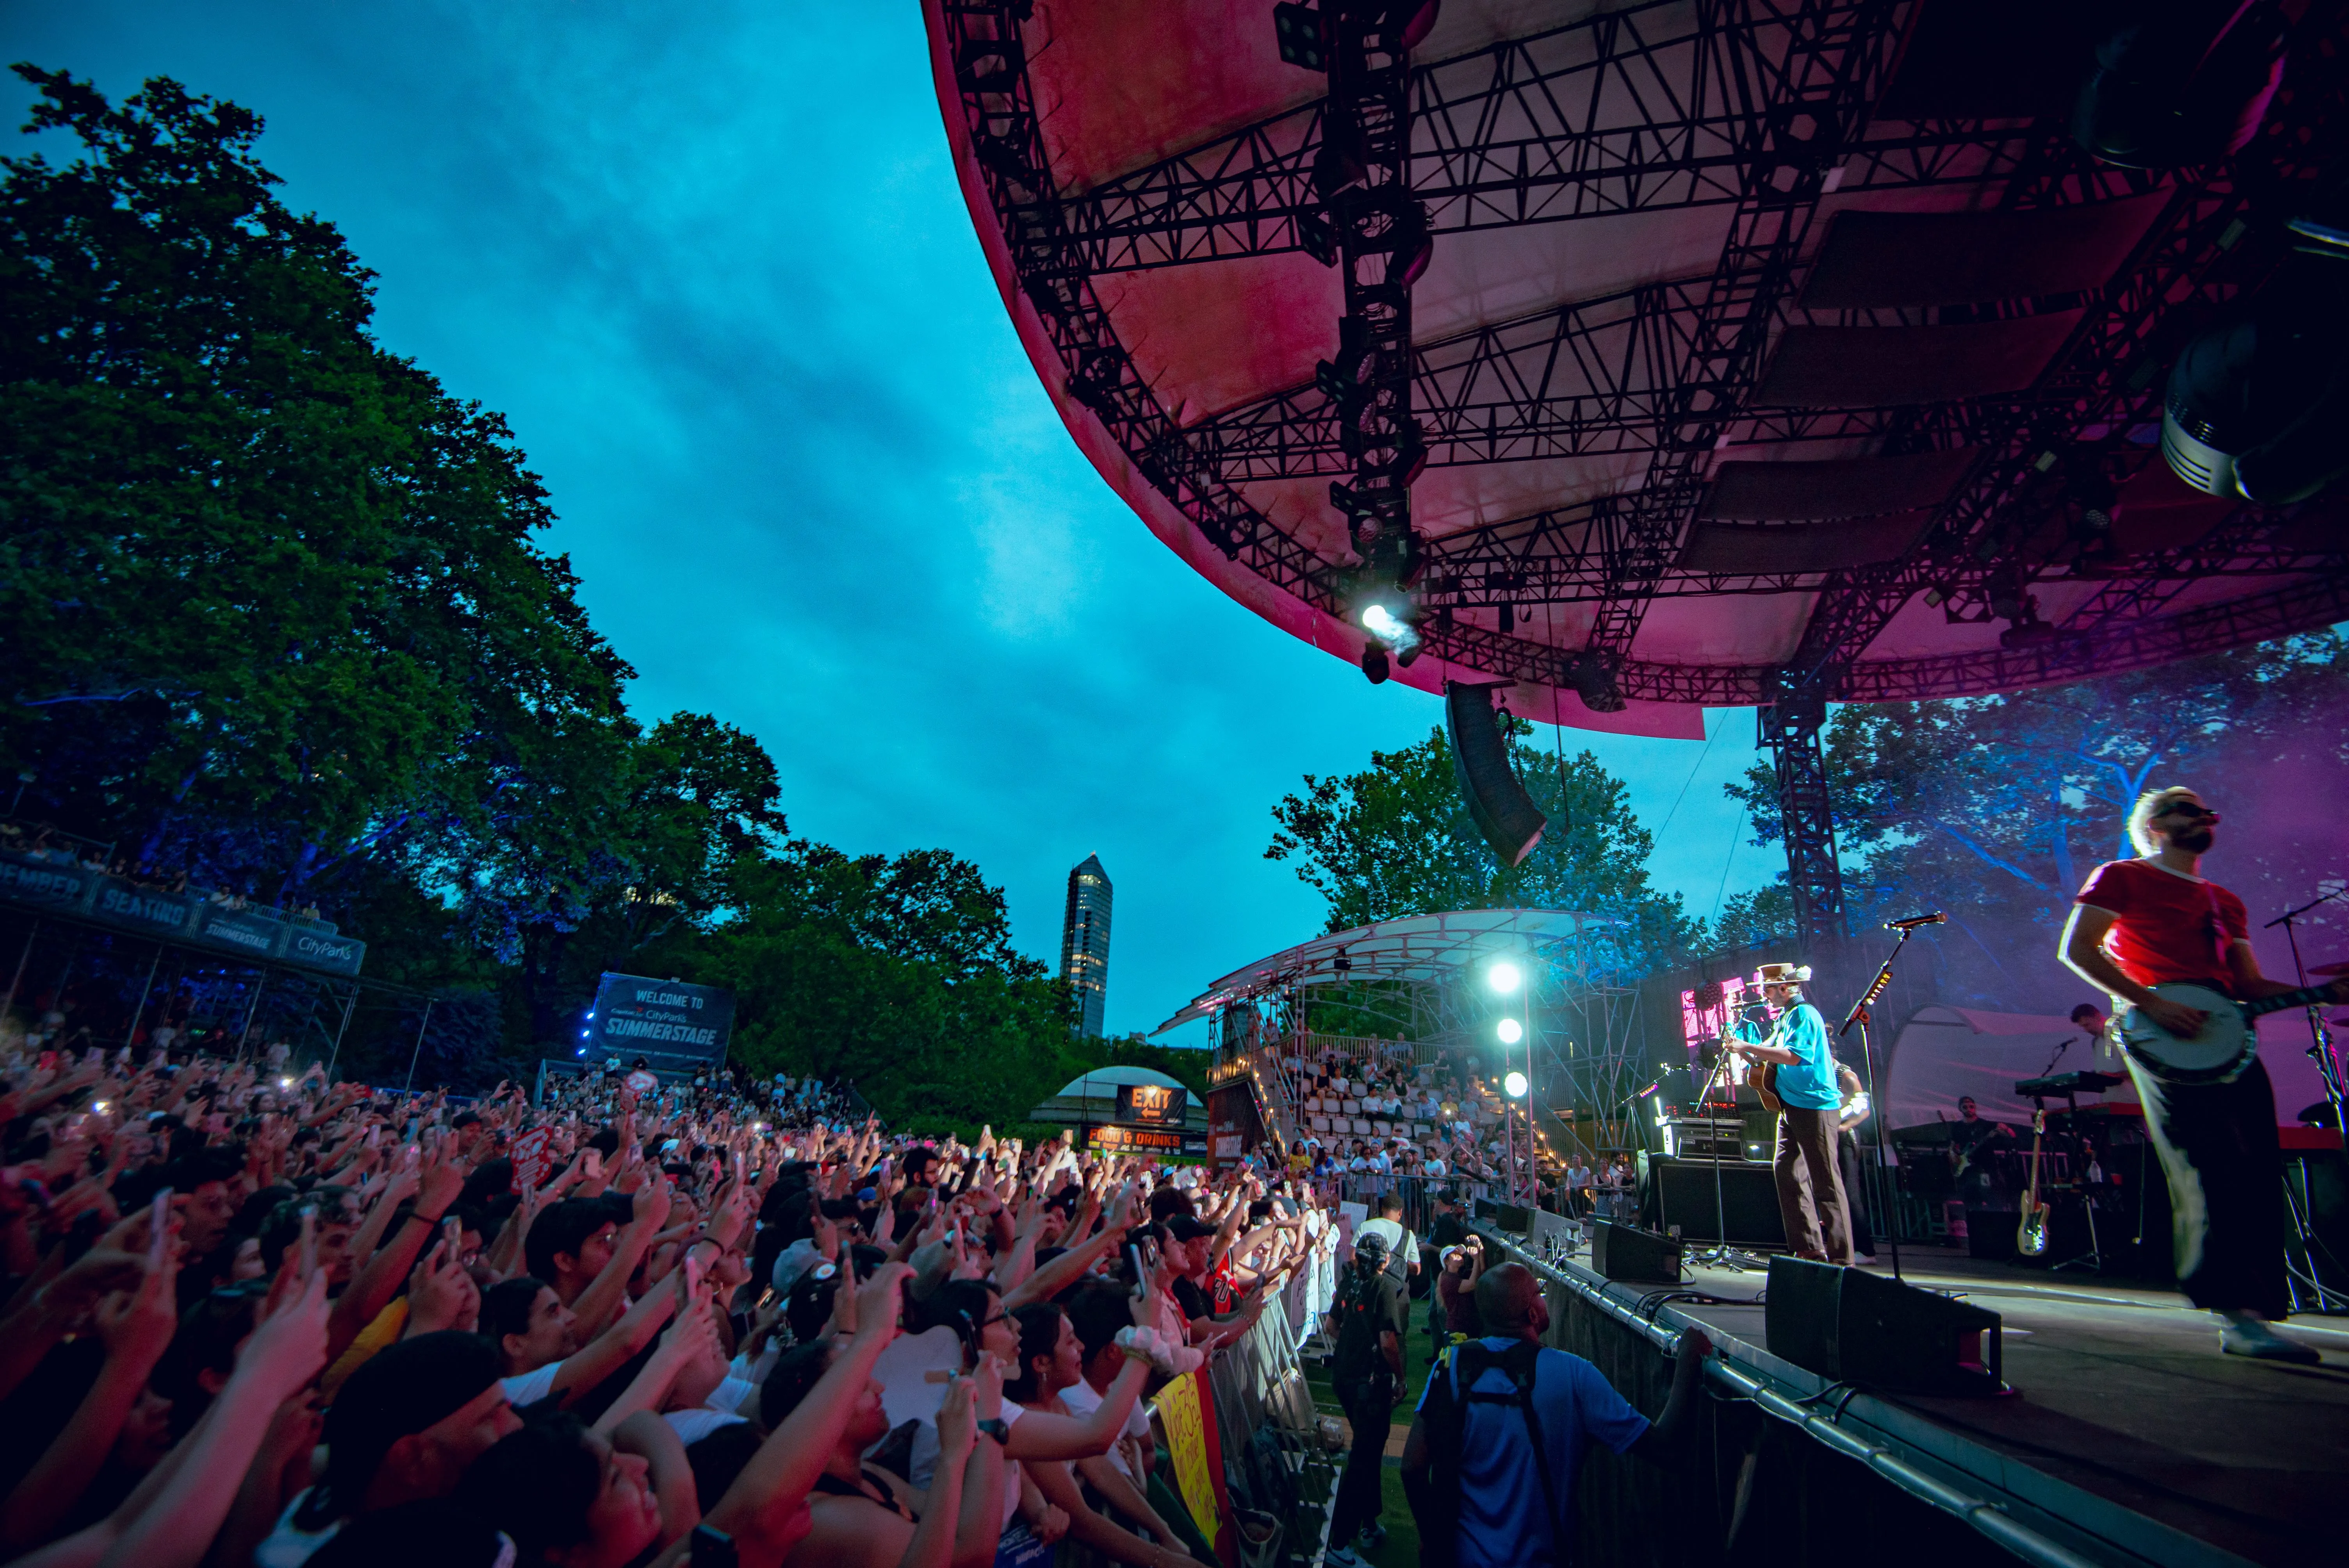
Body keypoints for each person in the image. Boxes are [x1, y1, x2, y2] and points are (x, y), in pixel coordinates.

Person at [2059, 784, 2347, 1363]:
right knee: (2208, 1166)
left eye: (2203, 808)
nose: (2202, 814)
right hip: (2165, 1040)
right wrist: (2149, 1003)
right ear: (2156, 827)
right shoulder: (2122, 876)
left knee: (2257, 1164)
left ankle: (2261, 1311)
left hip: (2229, 1044)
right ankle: (2235, 1316)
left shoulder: (2226, 901)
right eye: (2185, 808)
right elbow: (2080, 951)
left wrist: (2322, 993)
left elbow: (2247, 986)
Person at [1400, 1263, 1711, 1568]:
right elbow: (1665, 1448)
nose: (1544, 1299)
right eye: (1539, 1293)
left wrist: (1433, 1538)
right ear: (1532, 1314)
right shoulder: (1574, 1375)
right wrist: (1688, 1363)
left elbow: (1413, 1466)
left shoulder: (1452, 1365)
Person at [1725, 962, 1853, 1265]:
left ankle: (1842, 1257)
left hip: (1815, 1107)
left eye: (1768, 989)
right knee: (1787, 1172)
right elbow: (1765, 1059)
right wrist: (1740, 1048)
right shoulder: (1785, 1018)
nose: (1765, 995)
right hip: (1790, 1107)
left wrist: (1748, 1046)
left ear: (1785, 987)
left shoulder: (1805, 1014)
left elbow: (1794, 1057)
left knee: (1826, 1182)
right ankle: (1809, 1247)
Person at [1323, 1231, 1405, 1568]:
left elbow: (1331, 1326)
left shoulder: (1349, 1283)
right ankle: (1339, 1541)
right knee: (1362, 1460)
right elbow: (1388, 1342)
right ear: (1385, 1261)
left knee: (1368, 1453)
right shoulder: (1384, 1287)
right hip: (1370, 1384)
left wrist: (1355, 1347)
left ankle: (1369, 1523)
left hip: (1345, 1378)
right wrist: (1400, 1376)